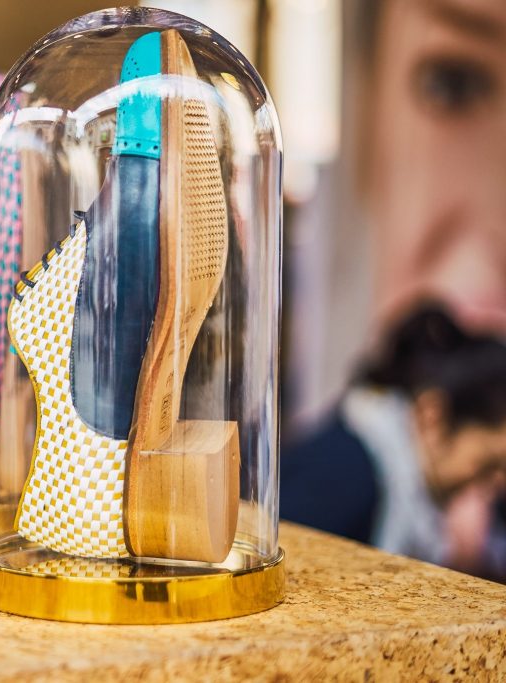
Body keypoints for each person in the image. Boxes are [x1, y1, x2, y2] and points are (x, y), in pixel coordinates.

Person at [281, 0, 506, 580]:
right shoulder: (346, 479)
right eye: (452, 83)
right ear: (432, 417)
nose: (491, 484)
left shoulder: (401, 485)